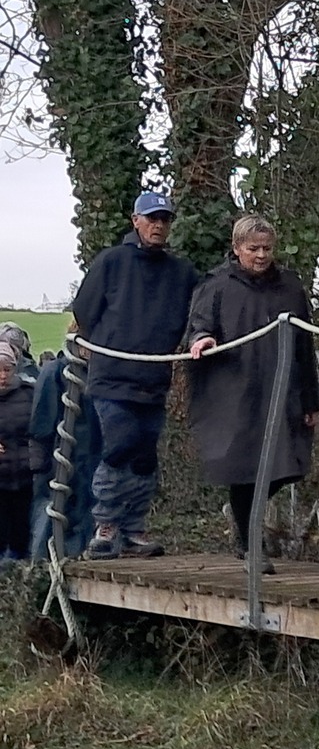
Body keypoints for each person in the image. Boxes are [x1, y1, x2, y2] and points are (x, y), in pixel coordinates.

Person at [71, 190, 199, 559]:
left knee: (144, 455)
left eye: (164, 219)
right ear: (136, 221)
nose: (158, 225)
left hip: (153, 378)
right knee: (120, 444)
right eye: (152, 218)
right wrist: (107, 342)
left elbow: (201, 309)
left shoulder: (181, 272)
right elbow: (85, 309)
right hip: (112, 376)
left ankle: (132, 528)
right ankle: (106, 525)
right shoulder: (111, 261)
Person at [188, 215, 319, 571]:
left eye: (267, 248)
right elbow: (199, 325)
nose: (261, 255)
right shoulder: (216, 285)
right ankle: (250, 545)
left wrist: (311, 400)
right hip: (236, 394)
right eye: (253, 249)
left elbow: (305, 345)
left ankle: (247, 529)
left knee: (289, 464)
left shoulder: (289, 286)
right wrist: (202, 339)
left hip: (283, 390)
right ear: (237, 249)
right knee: (246, 468)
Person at [28, 346, 102, 561]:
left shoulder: (98, 371)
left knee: (87, 512)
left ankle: (80, 557)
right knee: (51, 513)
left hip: (91, 459)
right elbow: (42, 421)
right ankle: (42, 564)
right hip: (59, 459)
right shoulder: (56, 371)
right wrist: (41, 463)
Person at [0, 343, 33, 560]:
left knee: (22, 536)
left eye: (7, 369)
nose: (3, 375)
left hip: (25, 477)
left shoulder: (30, 393)